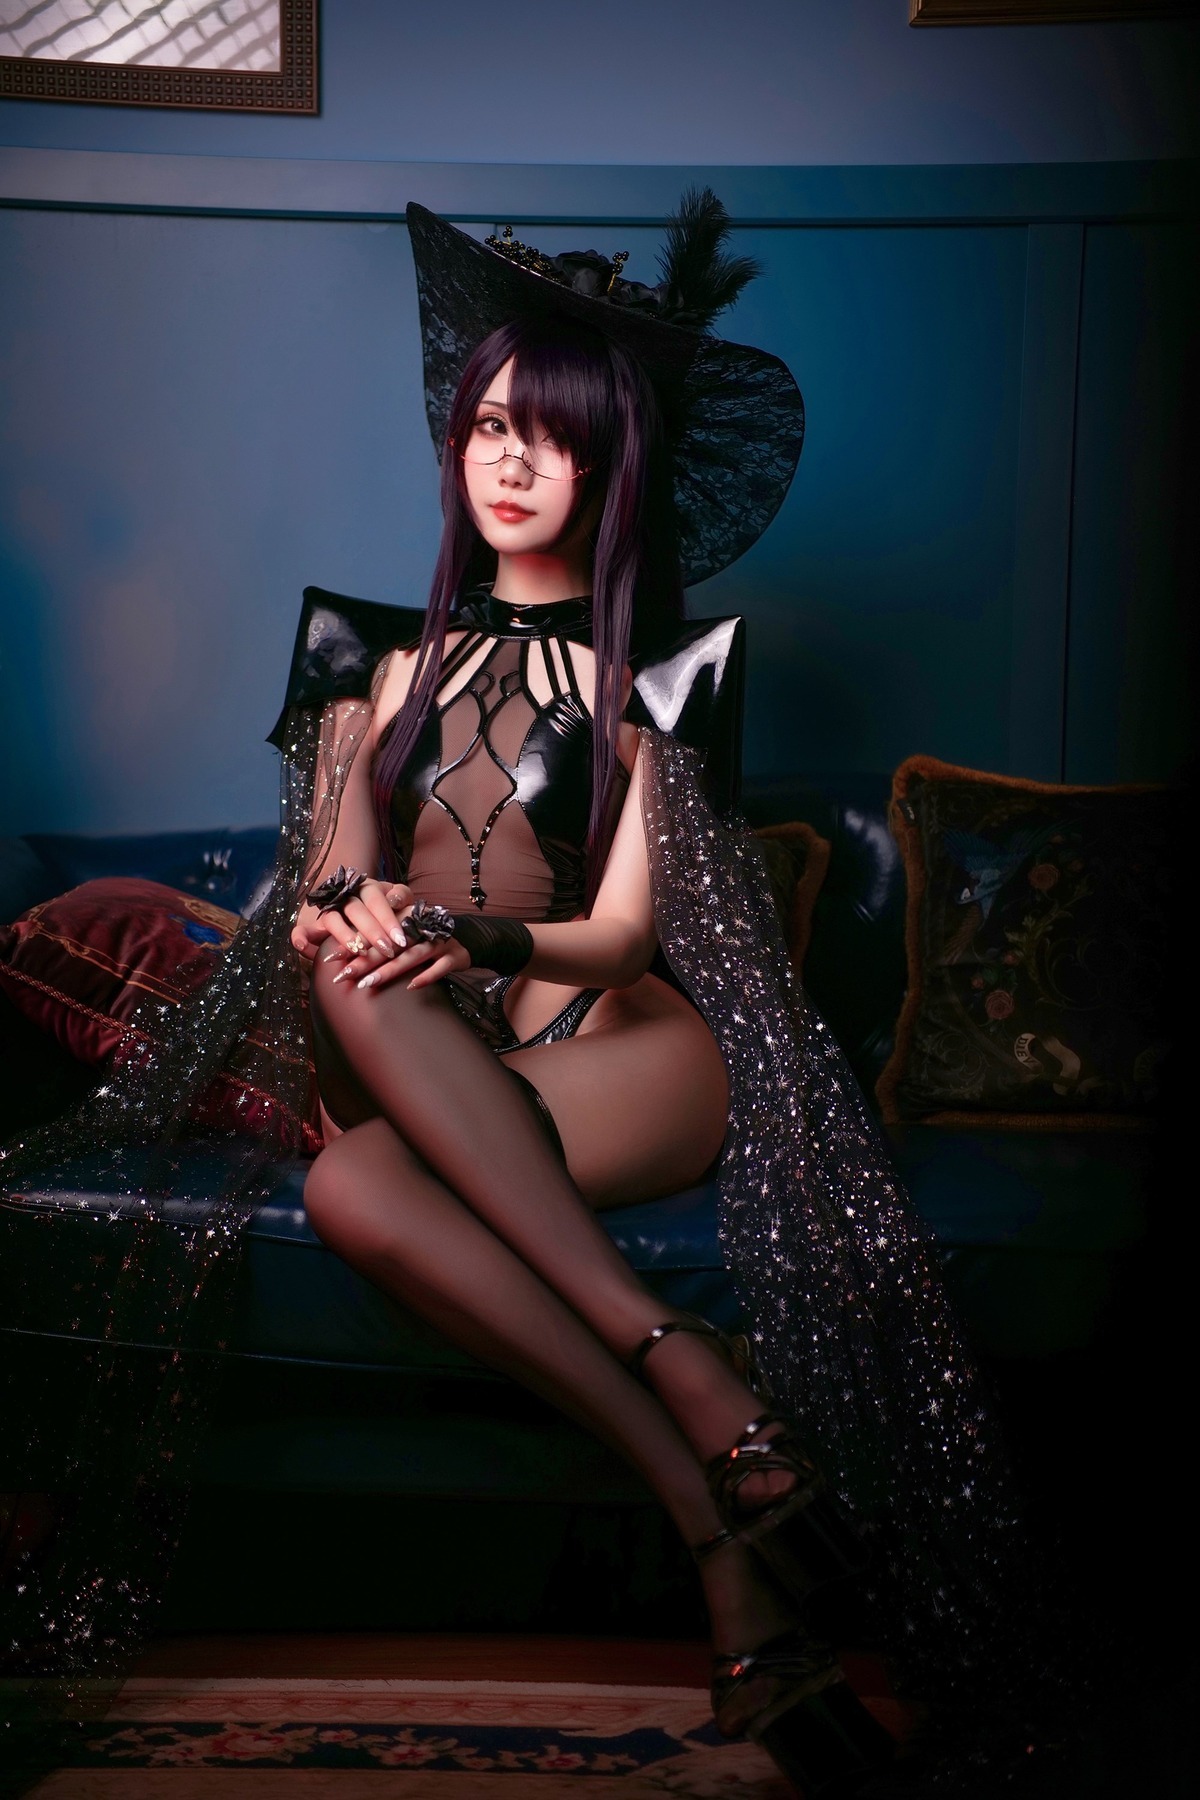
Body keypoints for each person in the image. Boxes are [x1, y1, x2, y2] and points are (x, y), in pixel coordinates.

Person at [1, 194, 1043, 1797]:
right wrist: (370, 913)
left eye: (549, 437)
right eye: (489, 425)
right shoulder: (362, 655)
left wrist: (482, 944)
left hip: (623, 1053)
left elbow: (623, 938)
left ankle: (705, 1459)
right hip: (408, 1046)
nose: (509, 462)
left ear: (608, 468)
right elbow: (331, 882)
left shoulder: (666, 676)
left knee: (368, 1119)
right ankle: (709, 1459)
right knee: (350, 1117)